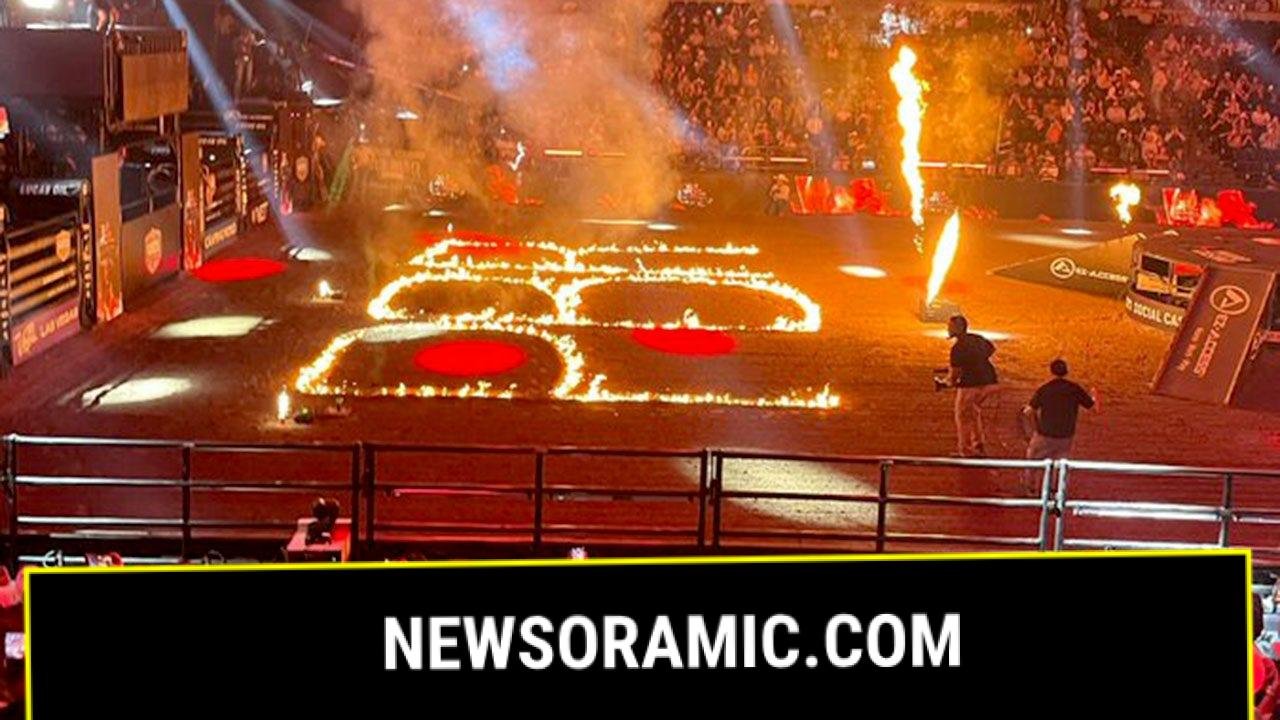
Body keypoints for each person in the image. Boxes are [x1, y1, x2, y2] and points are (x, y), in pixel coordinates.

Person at [944, 315, 1000, 458]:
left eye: (950, 326)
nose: (948, 329)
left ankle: (966, 450)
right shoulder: (977, 338)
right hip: (989, 382)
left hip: (971, 385)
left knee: (962, 416)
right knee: (974, 411)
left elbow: (955, 373)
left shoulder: (957, 348)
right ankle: (978, 443)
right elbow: (991, 348)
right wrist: (979, 360)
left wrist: (949, 382)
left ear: (958, 328)